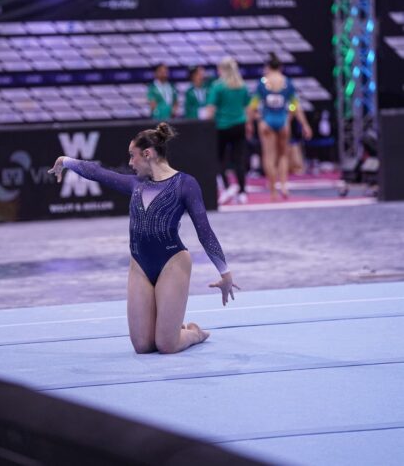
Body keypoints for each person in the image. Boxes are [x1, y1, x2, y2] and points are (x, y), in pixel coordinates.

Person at [48, 123, 238, 355]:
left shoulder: (185, 184)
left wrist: (225, 273)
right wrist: (65, 161)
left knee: (167, 345)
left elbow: (204, 231)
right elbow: (98, 173)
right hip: (140, 264)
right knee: (143, 346)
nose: (130, 163)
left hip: (172, 261)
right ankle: (171, 326)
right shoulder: (136, 185)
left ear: (147, 154)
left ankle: (195, 333)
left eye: (132, 155)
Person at [252, 53, 312, 200]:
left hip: (267, 120)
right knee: (283, 155)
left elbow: (252, 106)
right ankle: (284, 186)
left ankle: (273, 190)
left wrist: (254, 120)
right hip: (282, 121)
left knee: (269, 156)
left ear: (268, 67)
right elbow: (295, 106)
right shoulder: (287, 82)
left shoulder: (263, 83)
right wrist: (304, 124)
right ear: (281, 67)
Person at [207, 57, 251, 204]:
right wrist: (248, 125)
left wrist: (206, 124)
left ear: (222, 69)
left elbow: (211, 109)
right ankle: (242, 192)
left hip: (222, 127)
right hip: (239, 125)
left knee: (219, 159)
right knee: (239, 159)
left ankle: (226, 188)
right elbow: (247, 107)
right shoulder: (242, 86)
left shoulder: (217, 86)